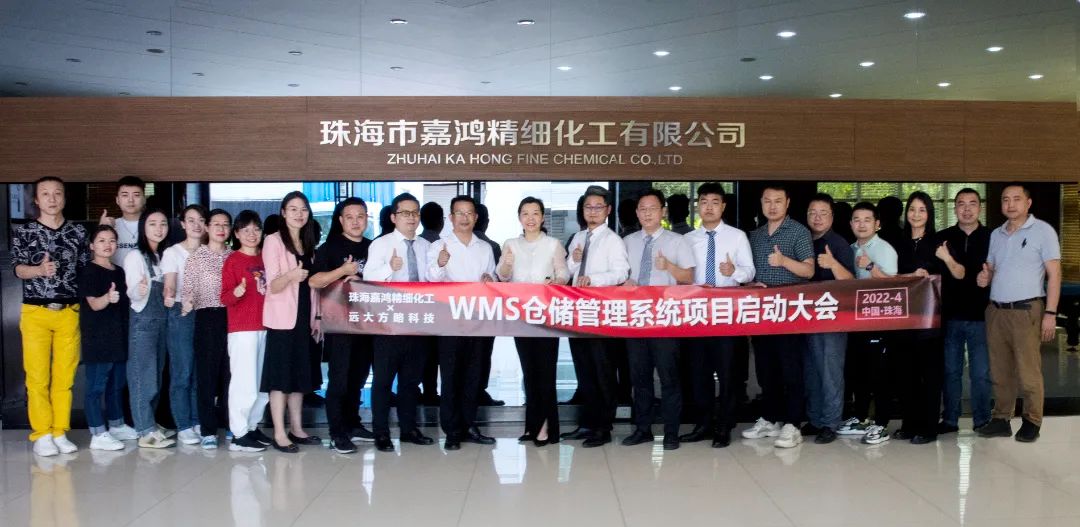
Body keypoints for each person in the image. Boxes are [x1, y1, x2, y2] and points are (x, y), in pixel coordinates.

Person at [977, 183, 1061, 443]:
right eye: (1005, 200)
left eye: (1016, 199)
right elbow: (991, 270)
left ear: (1028, 203)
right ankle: (1001, 419)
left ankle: (1032, 420)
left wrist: (1050, 313)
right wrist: (985, 277)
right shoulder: (996, 234)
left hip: (1026, 310)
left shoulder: (1043, 231)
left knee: (1028, 371)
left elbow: (1055, 274)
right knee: (999, 371)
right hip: (996, 311)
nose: (1010, 204)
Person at [13, 177, 89, 456]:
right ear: (36, 200)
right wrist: (38, 271)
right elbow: (17, 269)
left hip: (69, 311)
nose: (52, 198)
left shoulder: (78, 231)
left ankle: (59, 431)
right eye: (45, 194)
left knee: (65, 377)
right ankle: (42, 434)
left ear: (64, 198)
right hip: (36, 312)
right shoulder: (25, 231)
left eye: (57, 193)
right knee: (37, 377)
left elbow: (85, 269)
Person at [679, 183, 755, 448]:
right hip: (697, 313)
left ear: (723, 206)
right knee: (698, 372)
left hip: (726, 313)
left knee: (727, 372)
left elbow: (749, 272)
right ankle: (703, 424)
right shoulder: (687, 239)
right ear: (697, 206)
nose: (709, 207)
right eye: (704, 202)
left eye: (714, 202)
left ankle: (724, 425)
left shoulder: (737, 237)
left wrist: (734, 272)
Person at [622, 189, 694, 450]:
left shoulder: (677, 241)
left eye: (652, 208)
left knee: (669, 377)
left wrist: (669, 267)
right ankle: (643, 429)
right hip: (636, 317)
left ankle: (671, 432)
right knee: (639, 377)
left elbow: (689, 277)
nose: (647, 213)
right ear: (637, 213)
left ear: (663, 211)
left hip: (665, 318)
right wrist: (624, 281)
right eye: (642, 209)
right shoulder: (627, 241)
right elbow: (619, 274)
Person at [745, 185, 815, 449]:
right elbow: (749, 272)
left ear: (787, 203)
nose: (772, 206)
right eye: (767, 201)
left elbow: (809, 271)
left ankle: (793, 424)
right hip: (762, 312)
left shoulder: (798, 231)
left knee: (790, 369)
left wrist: (784, 261)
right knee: (766, 369)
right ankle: (770, 419)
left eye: (777, 201)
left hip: (790, 312)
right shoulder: (755, 235)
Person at [496, 197, 570, 446]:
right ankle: (532, 425)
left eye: (535, 213)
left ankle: (546, 427)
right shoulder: (511, 244)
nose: (530, 218)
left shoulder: (553, 244)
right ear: (519, 218)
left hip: (546, 314)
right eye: (525, 214)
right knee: (529, 371)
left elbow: (564, 272)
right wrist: (507, 265)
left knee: (545, 371)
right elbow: (502, 277)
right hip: (522, 315)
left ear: (542, 217)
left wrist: (557, 281)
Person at [365, 192, 436, 452]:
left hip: (418, 321)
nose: (411, 217)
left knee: (411, 381)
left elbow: (433, 280)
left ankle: (409, 429)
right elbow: (369, 279)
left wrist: (440, 267)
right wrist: (390, 268)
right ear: (394, 217)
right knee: (383, 381)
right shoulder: (381, 244)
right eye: (405, 213)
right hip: (389, 324)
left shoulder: (426, 246)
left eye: (415, 213)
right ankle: (381, 433)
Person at [427, 195, 498, 450]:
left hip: (478, 320)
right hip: (450, 320)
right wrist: (440, 264)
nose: (465, 218)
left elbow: (493, 279)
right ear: (451, 217)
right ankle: (452, 431)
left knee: (473, 375)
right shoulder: (440, 246)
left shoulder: (484, 247)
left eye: (469, 213)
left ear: (476, 217)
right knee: (450, 376)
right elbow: (430, 279)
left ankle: (469, 425)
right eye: (460, 213)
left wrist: (490, 279)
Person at [561, 185, 630, 448]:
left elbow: (621, 273)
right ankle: (588, 422)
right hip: (578, 313)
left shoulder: (613, 240)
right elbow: (568, 273)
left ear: (608, 210)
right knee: (584, 371)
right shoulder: (578, 237)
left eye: (598, 207)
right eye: (588, 207)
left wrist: (594, 279)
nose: (592, 211)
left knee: (603, 371)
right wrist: (573, 260)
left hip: (601, 313)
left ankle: (603, 426)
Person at [309, 198, 375, 454]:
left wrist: (360, 277)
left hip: (367, 323)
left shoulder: (373, 247)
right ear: (341, 220)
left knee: (358, 377)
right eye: (350, 217)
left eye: (360, 216)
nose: (356, 221)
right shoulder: (330, 247)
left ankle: (353, 424)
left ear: (366, 218)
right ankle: (337, 433)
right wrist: (343, 271)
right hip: (339, 323)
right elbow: (315, 281)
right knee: (339, 380)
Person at [261, 191, 321, 453]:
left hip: (305, 318)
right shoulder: (273, 241)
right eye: (293, 209)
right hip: (282, 320)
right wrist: (291, 275)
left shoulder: (308, 243)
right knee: (281, 378)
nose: (299, 214)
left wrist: (317, 316)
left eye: (303, 209)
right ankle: (278, 432)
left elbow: (314, 286)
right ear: (283, 213)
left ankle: (297, 429)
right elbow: (272, 285)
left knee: (299, 377)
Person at [837, 202, 899, 445]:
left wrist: (871, 266)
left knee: (879, 373)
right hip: (855, 321)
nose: (861, 224)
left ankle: (881, 423)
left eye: (867, 219)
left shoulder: (884, 249)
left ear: (877, 224)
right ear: (851, 223)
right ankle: (861, 417)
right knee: (858, 371)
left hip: (880, 322)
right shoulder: (850, 248)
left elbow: (894, 286)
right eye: (857, 219)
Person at [892, 191, 945, 444]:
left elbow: (952, 276)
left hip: (930, 321)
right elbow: (889, 278)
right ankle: (909, 423)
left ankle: (928, 428)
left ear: (929, 214)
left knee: (929, 375)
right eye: (912, 209)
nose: (916, 214)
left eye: (922, 210)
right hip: (902, 319)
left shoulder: (938, 243)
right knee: (906, 373)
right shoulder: (897, 243)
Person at [937, 188, 992, 435]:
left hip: (982, 316)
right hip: (950, 316)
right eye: (961, 204)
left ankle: (982, 419)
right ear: (955, 208)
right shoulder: (943, 239)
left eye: (972, 203)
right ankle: (950, 419)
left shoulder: (993, 237)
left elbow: (1003, 269)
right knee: (951, 372)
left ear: (980, 207)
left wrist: (991, 277)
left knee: (981, 373)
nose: (967, 209)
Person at [804, 193, 854, 445]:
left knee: (830, 370)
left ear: (832, 217)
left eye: (823, 213)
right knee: (811, 370)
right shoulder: (804, 240)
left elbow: (851, 281)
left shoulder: (838, 243)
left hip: (833, 318)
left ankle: (831, 422)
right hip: (805, 316)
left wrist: (833, 264)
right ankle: (815, 419)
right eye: (812, 212)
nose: (817, 217)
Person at [79, 225, 135, 451]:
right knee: (95, 387)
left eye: (112, 240)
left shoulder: (119, 271)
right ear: (92, 245)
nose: (107, 245)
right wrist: (107, 298)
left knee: (116, 385)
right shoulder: (88, 271)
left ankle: (117, 424)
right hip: (97, 339)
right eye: (101, 240)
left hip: (118, 336)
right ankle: (97, 433)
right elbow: (93, 304)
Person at [123, 208, 175, 448]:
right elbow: (133, 293)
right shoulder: (135, 256)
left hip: (163, 322)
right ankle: (144, 431)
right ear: (143, 228)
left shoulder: (163, 256)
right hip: (144, 323)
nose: (159, 228)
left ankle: (151, 422)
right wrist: (140, 289)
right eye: (153, 224)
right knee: (142, 375)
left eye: (163, 224)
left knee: (156, 374)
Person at [183, 208, 234, 449]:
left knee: (230, 374)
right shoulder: (197, 257)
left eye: (225, 224)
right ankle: (208, 430)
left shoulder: (234, 256)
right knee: (207, 375)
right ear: (207, 228)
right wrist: (187, 302)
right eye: (216, 224)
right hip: (207, 318)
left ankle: (232, 423)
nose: (221, 229)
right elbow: (188, 289)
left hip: (233, 318)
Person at [221, 211, 271, 452]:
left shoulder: (265, 258)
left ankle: (252, 426)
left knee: (261, 384)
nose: (252, 234)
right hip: (242, 329)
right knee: (244, 383)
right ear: (237, 234)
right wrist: (237, 292)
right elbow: (225, 297)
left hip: (265, 326)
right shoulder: (233, 260)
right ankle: (239, 434)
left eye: (256, 229)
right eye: (246, 230)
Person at [160, 204, 206, 446]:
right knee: (183, 371)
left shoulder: (209, 251)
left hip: (205, 312)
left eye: (201, 220)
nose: (196, 225)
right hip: (182, 312)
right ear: (183, 224)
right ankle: (184, 425)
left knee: (199, 372)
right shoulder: (173, 253)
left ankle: (197, 420)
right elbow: (170, 284)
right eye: (191, 220)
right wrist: (169, 295)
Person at [473, 203, 506, 407]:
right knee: (484, 351)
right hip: (486, 310)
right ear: (485, 222)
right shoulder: (492, 246)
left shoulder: (488, 247)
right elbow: (499, 279)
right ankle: (479, 390)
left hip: (458, 311)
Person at [418, 202, 443, 406]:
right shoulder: (441, 245)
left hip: (417, 310)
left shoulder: (419, 243)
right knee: (432, 354)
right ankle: (430, 391)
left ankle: (420, 390)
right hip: (438, 310)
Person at [100, 175, 146, 266]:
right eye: (125, 195)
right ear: (117, 200)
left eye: (136, 195)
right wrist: (101, 229)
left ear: (144, 199)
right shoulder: (110, 226)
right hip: (115, 275)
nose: (130, 200)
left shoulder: (153, 226)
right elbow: (94, 258)